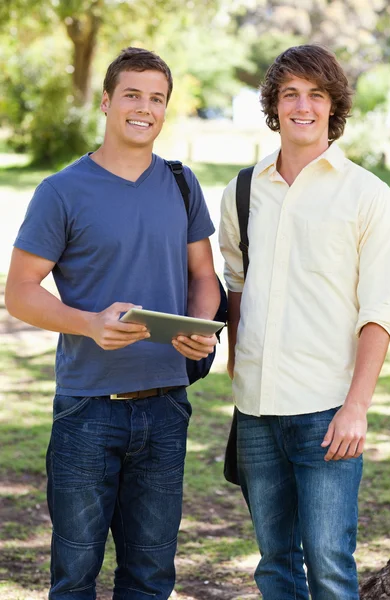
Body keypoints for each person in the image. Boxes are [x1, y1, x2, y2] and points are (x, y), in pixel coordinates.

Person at [5, 47, 220, 600]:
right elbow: (20, 292)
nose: (143, 108)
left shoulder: (180, 182)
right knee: (74, 578)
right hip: (87, 408)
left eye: (156, 98)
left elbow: (204, 273)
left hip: (168, 403)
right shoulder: (62, 191)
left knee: (151, 578)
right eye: (132, 94)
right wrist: (89, 323)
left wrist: (201, 322)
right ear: (106, 102)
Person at [219, 44, 390, 600]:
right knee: (275, 564)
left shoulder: (368, 195)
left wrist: (357, 407)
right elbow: (237, 285)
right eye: (290, 93)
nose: (302, 106)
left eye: (316, 95)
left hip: (328, 412)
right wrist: (234, 362)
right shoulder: (242, 191)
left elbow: (380, 312)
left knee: (328, 566)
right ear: (274, 104)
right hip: (255, 409)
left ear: (333, 106)